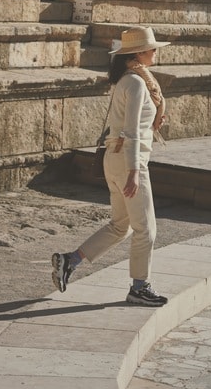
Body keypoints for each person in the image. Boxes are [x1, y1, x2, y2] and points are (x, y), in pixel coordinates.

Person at [51, 25, 170, 307]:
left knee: (121, 226)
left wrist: (153, 122)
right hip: (130, 161)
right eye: (152, 48)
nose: (155, 52)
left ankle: (70, 261)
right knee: (147, 230)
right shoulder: (137, 83)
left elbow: (130, 125)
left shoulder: (127, 80)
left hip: (114, 158)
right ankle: (139, 287)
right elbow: (129, 131)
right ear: (139, 52)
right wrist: (133, 172)